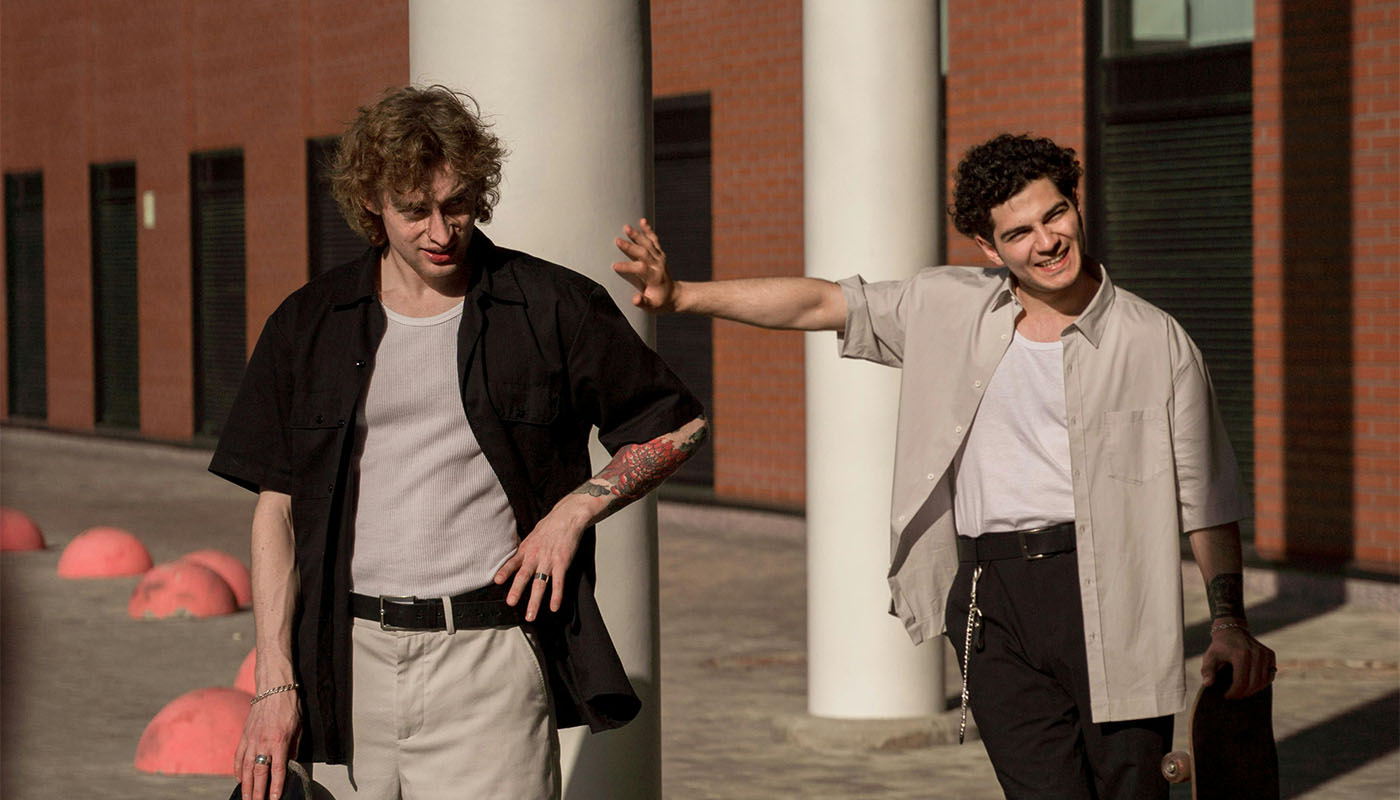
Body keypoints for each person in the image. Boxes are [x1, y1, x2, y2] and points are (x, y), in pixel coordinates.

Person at [612, 133, 1275, 799]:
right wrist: (681, 296)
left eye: (1055, 215)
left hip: (1114, 593)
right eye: (1019, 233)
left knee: (1130, 790)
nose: (1046, 241)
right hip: (990, 596)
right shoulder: (946, 305)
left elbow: (1207, 497)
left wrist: (1228, 622)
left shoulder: (1156, 341)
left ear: (1076, 206)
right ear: (989, 248)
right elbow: (819, 303)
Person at [210, 84, 707, 800]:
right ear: (372, 205)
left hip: (488, 664)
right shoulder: (309, 323)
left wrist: (574, 511)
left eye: (458, 205)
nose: (440, 231)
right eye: (415, 211)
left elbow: (679, 423)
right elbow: (277, 510)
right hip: (346, 666)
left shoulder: (550, 306)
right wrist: (273, 684)